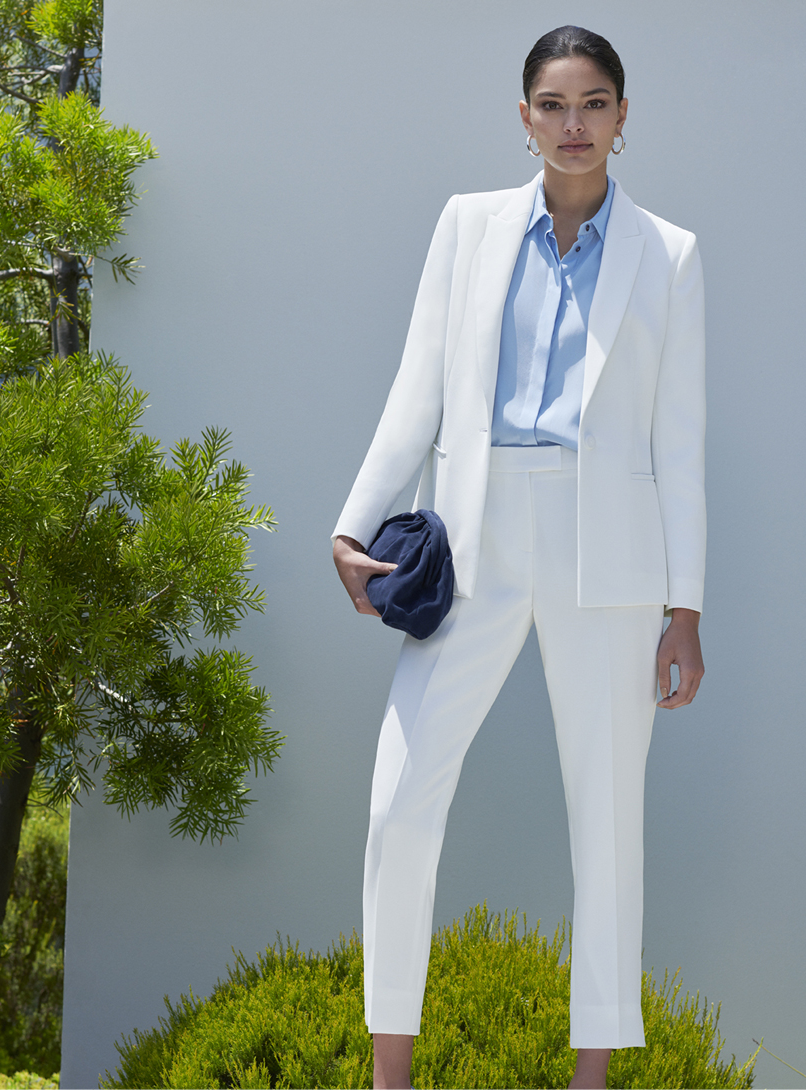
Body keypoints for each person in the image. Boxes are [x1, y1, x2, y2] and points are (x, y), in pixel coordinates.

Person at [331, 25, 706, 1090]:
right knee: (398, 797)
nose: (573, 124)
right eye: (553, 103)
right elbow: (419, 384)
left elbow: (675, 442)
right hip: (476, 529)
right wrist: (353, 522)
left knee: (606, 816)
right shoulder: (467, 227)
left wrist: (685, 607)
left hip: (613, 559)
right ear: (524, 116)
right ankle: (387, 1070)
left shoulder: (668, 254)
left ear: (623, 117)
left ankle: (589, 1074)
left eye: (594, 104)